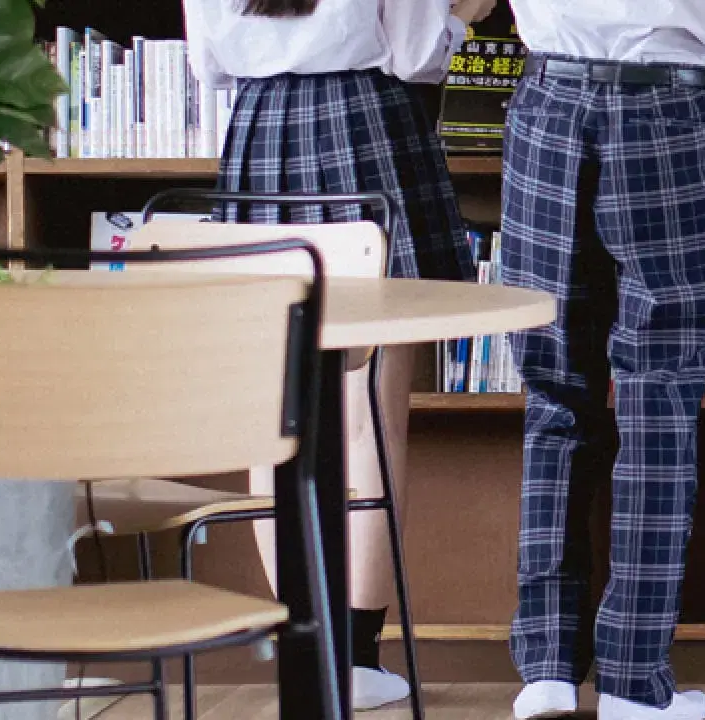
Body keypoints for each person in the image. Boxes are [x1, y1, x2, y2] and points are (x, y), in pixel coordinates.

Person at [180, 0, 493, 709]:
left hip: (261, 132)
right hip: (366, 126)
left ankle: (302, 649)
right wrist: (465, 14)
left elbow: (210, 63)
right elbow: (416, 55)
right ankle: (354, 658)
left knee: (276, 411)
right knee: (370, 412)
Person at [496, 1, 705, 718]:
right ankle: (633, 680)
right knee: (660, 398)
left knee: (553, 389)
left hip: (549, 103)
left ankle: (548, 670)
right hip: (667, 107)